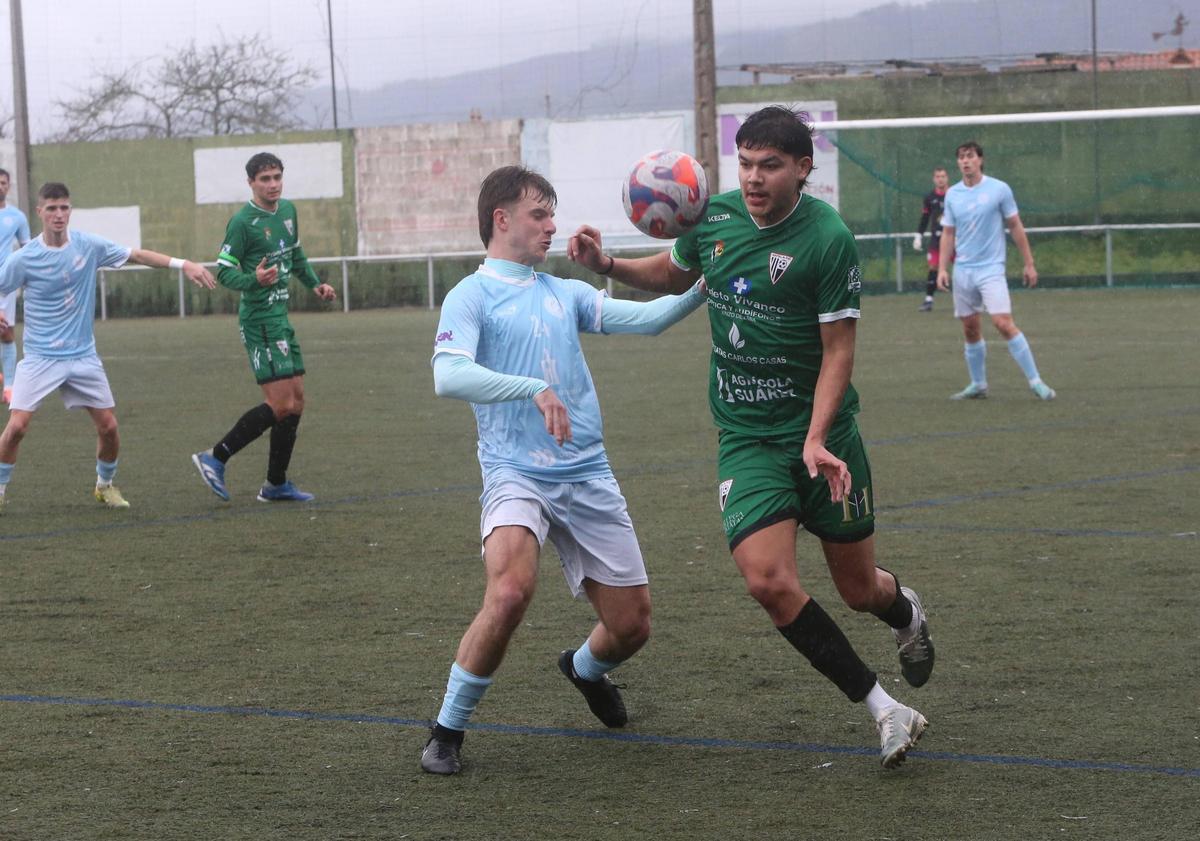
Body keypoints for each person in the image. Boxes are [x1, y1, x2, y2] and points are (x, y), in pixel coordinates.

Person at [567, 105, 933, 769]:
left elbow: (838, 351)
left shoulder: (828, 239)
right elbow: (674, 273)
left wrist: (817, 436)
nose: (754, 178)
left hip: (825, 438)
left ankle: (904, 609)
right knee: (767, 579)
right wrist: (609, 263)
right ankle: (885, 708)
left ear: (803, 169)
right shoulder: (714, 215)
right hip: (747, 438)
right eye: (746, 163)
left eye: (770, 165)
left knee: (859, 592)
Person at [421, 164, 706, 775]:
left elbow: (653, 320)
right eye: (539, 215)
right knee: (511, 590)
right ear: (502, 220)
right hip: (515, 475)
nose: (553, 226)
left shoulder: (562, 292)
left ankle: (581, 668)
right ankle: (446, 730)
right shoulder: (471, 295)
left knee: (631, 627)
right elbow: (448, 375)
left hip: (587, 473)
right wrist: (532, 388)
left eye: (551, 214)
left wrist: (708, 281)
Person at [0, 182, 215, 513]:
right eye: (52, 208)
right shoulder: (24, 258)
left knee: (109, 427)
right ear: (40, 212)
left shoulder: (88, 245)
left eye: (64, 208)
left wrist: (183, 264)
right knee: (16, 428)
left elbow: (137, 254)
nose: (59, 214)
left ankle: (105, 486)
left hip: (82, 356)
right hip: (41, 357)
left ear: (70, 211)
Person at [191, 152, 337, 503]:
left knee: (297, 401)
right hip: (259, 320)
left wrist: (315, 284)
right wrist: (253, 279)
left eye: (276, 177)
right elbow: (224, 270)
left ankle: (275, 484)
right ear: (251, 184)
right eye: (265, 179)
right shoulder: (242, 223)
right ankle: (216, 456)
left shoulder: (288, 211)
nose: (272, 185)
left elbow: (295, 255)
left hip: (280, 318)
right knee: (281, 403)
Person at [936, 141, 1056, 401]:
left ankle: (1036, 381)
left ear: (980, 160)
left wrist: (1029, 263)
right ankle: (978, 385)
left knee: (1003, 323)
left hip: (991, 269)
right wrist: (942, 269)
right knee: (970, 327)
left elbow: (1014, 226)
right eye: (961, 157)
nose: (965, 161)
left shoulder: (999, 189)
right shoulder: (953, 194)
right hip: (963, 270)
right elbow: (948, 232)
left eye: (970, 156)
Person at [0, 168, 32, 403]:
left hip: (5, 282)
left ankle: (9, 386)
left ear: (8, 186)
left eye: (3, 182)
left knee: (6, 332)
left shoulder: (17, 217)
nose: (0, 186)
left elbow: (27, 249)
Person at [912, 166, 949, 312]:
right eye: (938, 176)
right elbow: (925, 217)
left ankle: (976, 300)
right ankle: (928, 300)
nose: (941, 179)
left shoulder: (955, 194)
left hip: (954, 239)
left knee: (964, 268)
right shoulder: (929, 198)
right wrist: (918, 235)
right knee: (933, 267)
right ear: (934, 179)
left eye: (943, 176)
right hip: (936, 239)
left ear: (947, 178)